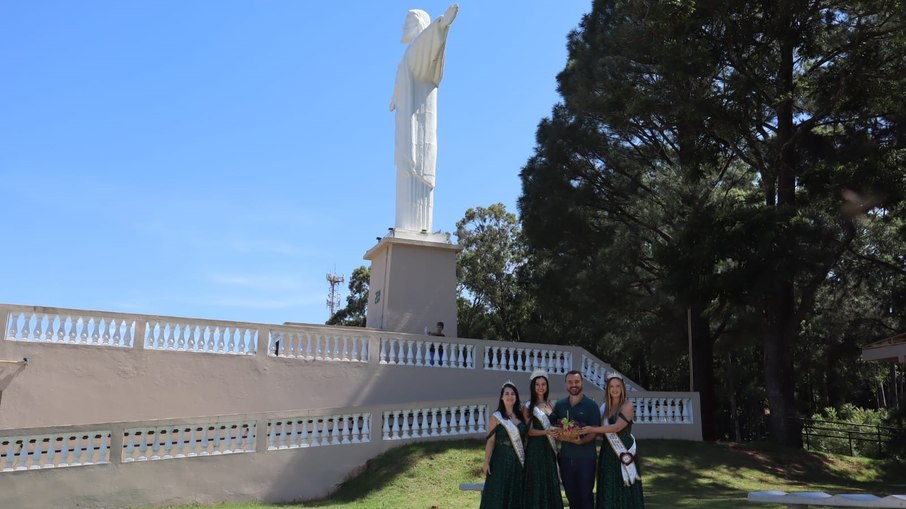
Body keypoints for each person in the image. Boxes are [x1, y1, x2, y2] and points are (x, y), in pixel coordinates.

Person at [390, 4, 458, 232]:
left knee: (417, 174)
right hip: (405, 131)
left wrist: (442, 24)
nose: (402, 27)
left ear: (420, 24)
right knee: (404, 175)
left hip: (418, 132)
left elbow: (429, 42)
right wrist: (395, 98)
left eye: (408, 22)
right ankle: (405, 227)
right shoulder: (408, 54)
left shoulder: (418, 48)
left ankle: (417, 228)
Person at [580, 374, 645, 509]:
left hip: (624, 452)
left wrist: (592, 428)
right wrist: (579, 434)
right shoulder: (604, 408)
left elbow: (617, 427)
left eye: (617, 386)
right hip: (608, 453)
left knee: (625, 486)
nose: (615, 389)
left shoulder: (627, 405)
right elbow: (600, 432)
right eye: (611, 386)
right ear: (607, 389)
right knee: (609, 486)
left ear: (622, 388)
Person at [549, 371, 600, 509]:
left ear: (582, 383)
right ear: (566, 384)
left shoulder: (591, 405)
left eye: (576, 382)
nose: (574, 385)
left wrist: (582, 441)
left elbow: (595, 431)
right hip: (566, 458)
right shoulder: (560, 405)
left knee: (585, 496)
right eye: (570, 382)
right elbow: (552, 425)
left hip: (586, 458)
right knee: (571, 496)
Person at [480, 381, 526, 509]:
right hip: (500, 461)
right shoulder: (496, 417)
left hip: (517, 462)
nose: (510, 396)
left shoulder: (522, 416)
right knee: (498, 494)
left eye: (512, 394)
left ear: (516, 397)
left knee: (516, 493)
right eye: (507, 394)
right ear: (501, 397)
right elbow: (490, 441)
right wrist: (486, 461)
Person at [522, 370, 564, 509]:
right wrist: (546, 432)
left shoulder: (550, 405)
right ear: (533, 387)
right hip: (535, 450)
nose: (541, 387)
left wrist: (559, 433)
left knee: (549, 481)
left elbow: (555, 426)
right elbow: (528, 431)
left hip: (549, 451)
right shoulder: (529, 406)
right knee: (536, 484)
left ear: (547, 386)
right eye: (537, 384)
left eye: (543, 384)